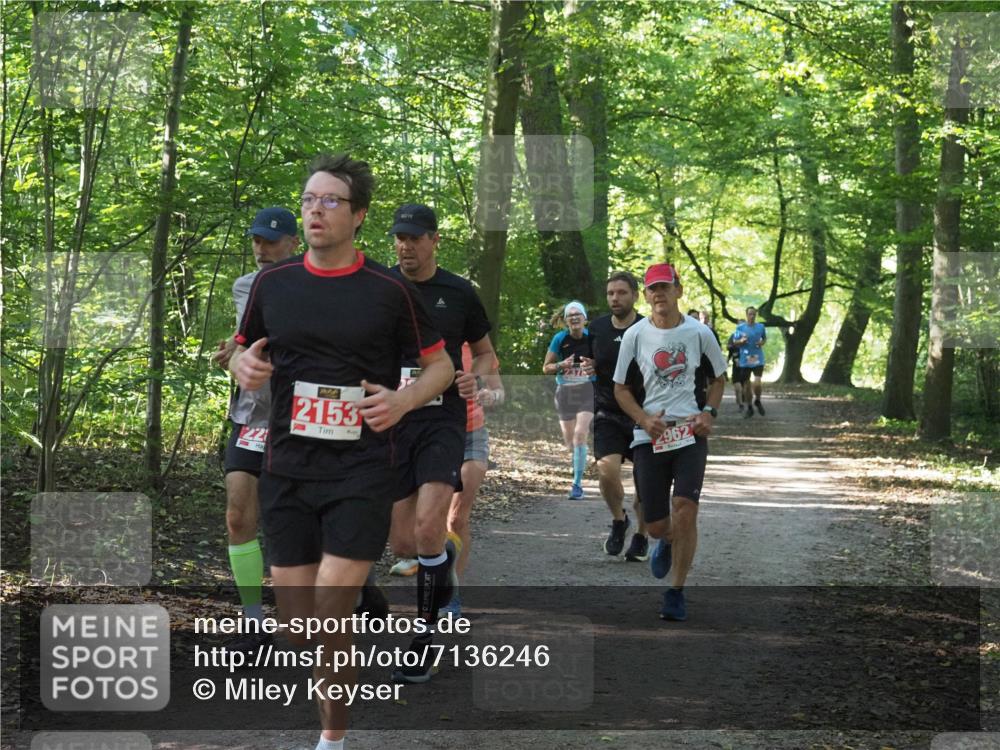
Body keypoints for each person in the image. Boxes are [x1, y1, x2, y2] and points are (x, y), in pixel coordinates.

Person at [229, 154, 453, 750]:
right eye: (308, 200)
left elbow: (441, 365)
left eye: (330, 201)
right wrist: (241, 362)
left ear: (358, 216)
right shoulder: (273, 285)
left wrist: (403, 403)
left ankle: (333, 740)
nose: (315, 210)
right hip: (286, 470)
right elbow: (239, 348)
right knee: (300, 627)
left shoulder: (389, 290)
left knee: (330, 605)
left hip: (360, 469)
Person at [385, 203, 495, 684]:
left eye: (414, 237)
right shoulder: (380, 288)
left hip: (443, 420)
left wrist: (475, 377)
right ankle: (442, 562)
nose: (405, 246)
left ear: (434, 240)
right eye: (399, 238)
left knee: (431, 528)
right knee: (403, 543)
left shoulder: (459, 292)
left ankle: (424, 637)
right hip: (391, 418)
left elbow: (487, 354)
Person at [613, 263, 727, 622]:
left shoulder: (699, 333)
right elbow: (620, 389)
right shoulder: (635, 336)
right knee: (659, 523)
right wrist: (644, 419)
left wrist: (708, 411)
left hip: (689, 433)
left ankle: (676, 591)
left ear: (678, 289)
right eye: (652, 289)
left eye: (665, 287)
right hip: (650, 436)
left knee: (686, 508)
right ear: (645, 296)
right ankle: (665, 540)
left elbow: (719, 378)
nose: (659, 294)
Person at [211, 207, 298, 657]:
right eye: (256, 241)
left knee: (303, 523)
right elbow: (249, 335)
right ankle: (254, 625)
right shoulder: (244, 286)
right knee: (238, 517)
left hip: (302, 422)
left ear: (293, 244)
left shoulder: (314, 285)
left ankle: (356, 585)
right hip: (251, 418)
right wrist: (232, 352)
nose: (262, 249)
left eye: (271, 241)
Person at [587, 271, 648, 561]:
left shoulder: (650, 327)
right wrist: (587, 365)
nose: (615, 298)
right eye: (611, 293)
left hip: (646, 414)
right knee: (606, 470)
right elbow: (589, 359)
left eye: (622, 292)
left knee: (647, 482)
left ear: (635, 295)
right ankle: (619, 520)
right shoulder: (596, 328)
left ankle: (641, 536)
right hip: (607, 411)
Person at [441, 342, 504, 616]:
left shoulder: (477, 347)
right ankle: (430, 560)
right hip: (434, 435)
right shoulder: (424, 342)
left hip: (472, 435)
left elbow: (499, 391)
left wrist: (491, 396)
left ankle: (451, 592)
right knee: (429, 519)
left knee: (457, 517)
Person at [542, 301, 595, 499]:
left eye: (577, 314)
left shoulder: (592, 338)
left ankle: (577, 484)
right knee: (570, 442)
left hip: (586, 390)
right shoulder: (560, 338)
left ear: (584, 318)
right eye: (570, 315)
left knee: (580, 434)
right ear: (565, 320)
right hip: (564, 392)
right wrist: (560, 365)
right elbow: (546, 367)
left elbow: (605, 362)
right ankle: (581, 456)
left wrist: (595, 365)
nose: (574, 318)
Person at [735, 306, 767, 417]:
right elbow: (735, 342)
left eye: (754, 314)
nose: (752, 316)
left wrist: (761, 343)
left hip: (758, 358)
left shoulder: (761, 327)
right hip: (745, 360)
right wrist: (741, 341)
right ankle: (749, 407)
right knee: (747, 386)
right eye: (750, 314)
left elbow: (764, 339)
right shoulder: (740, 328)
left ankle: (757, 400)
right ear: (746, 315)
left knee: (757, 383)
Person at [726, 321, 746, 412]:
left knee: (743, 386)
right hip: (736, 365)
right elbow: (729, 347)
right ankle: (741, 404)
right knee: (738, 387)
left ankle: (741, 400)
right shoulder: (733, 336)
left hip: (746, 366)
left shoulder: (749, 337)